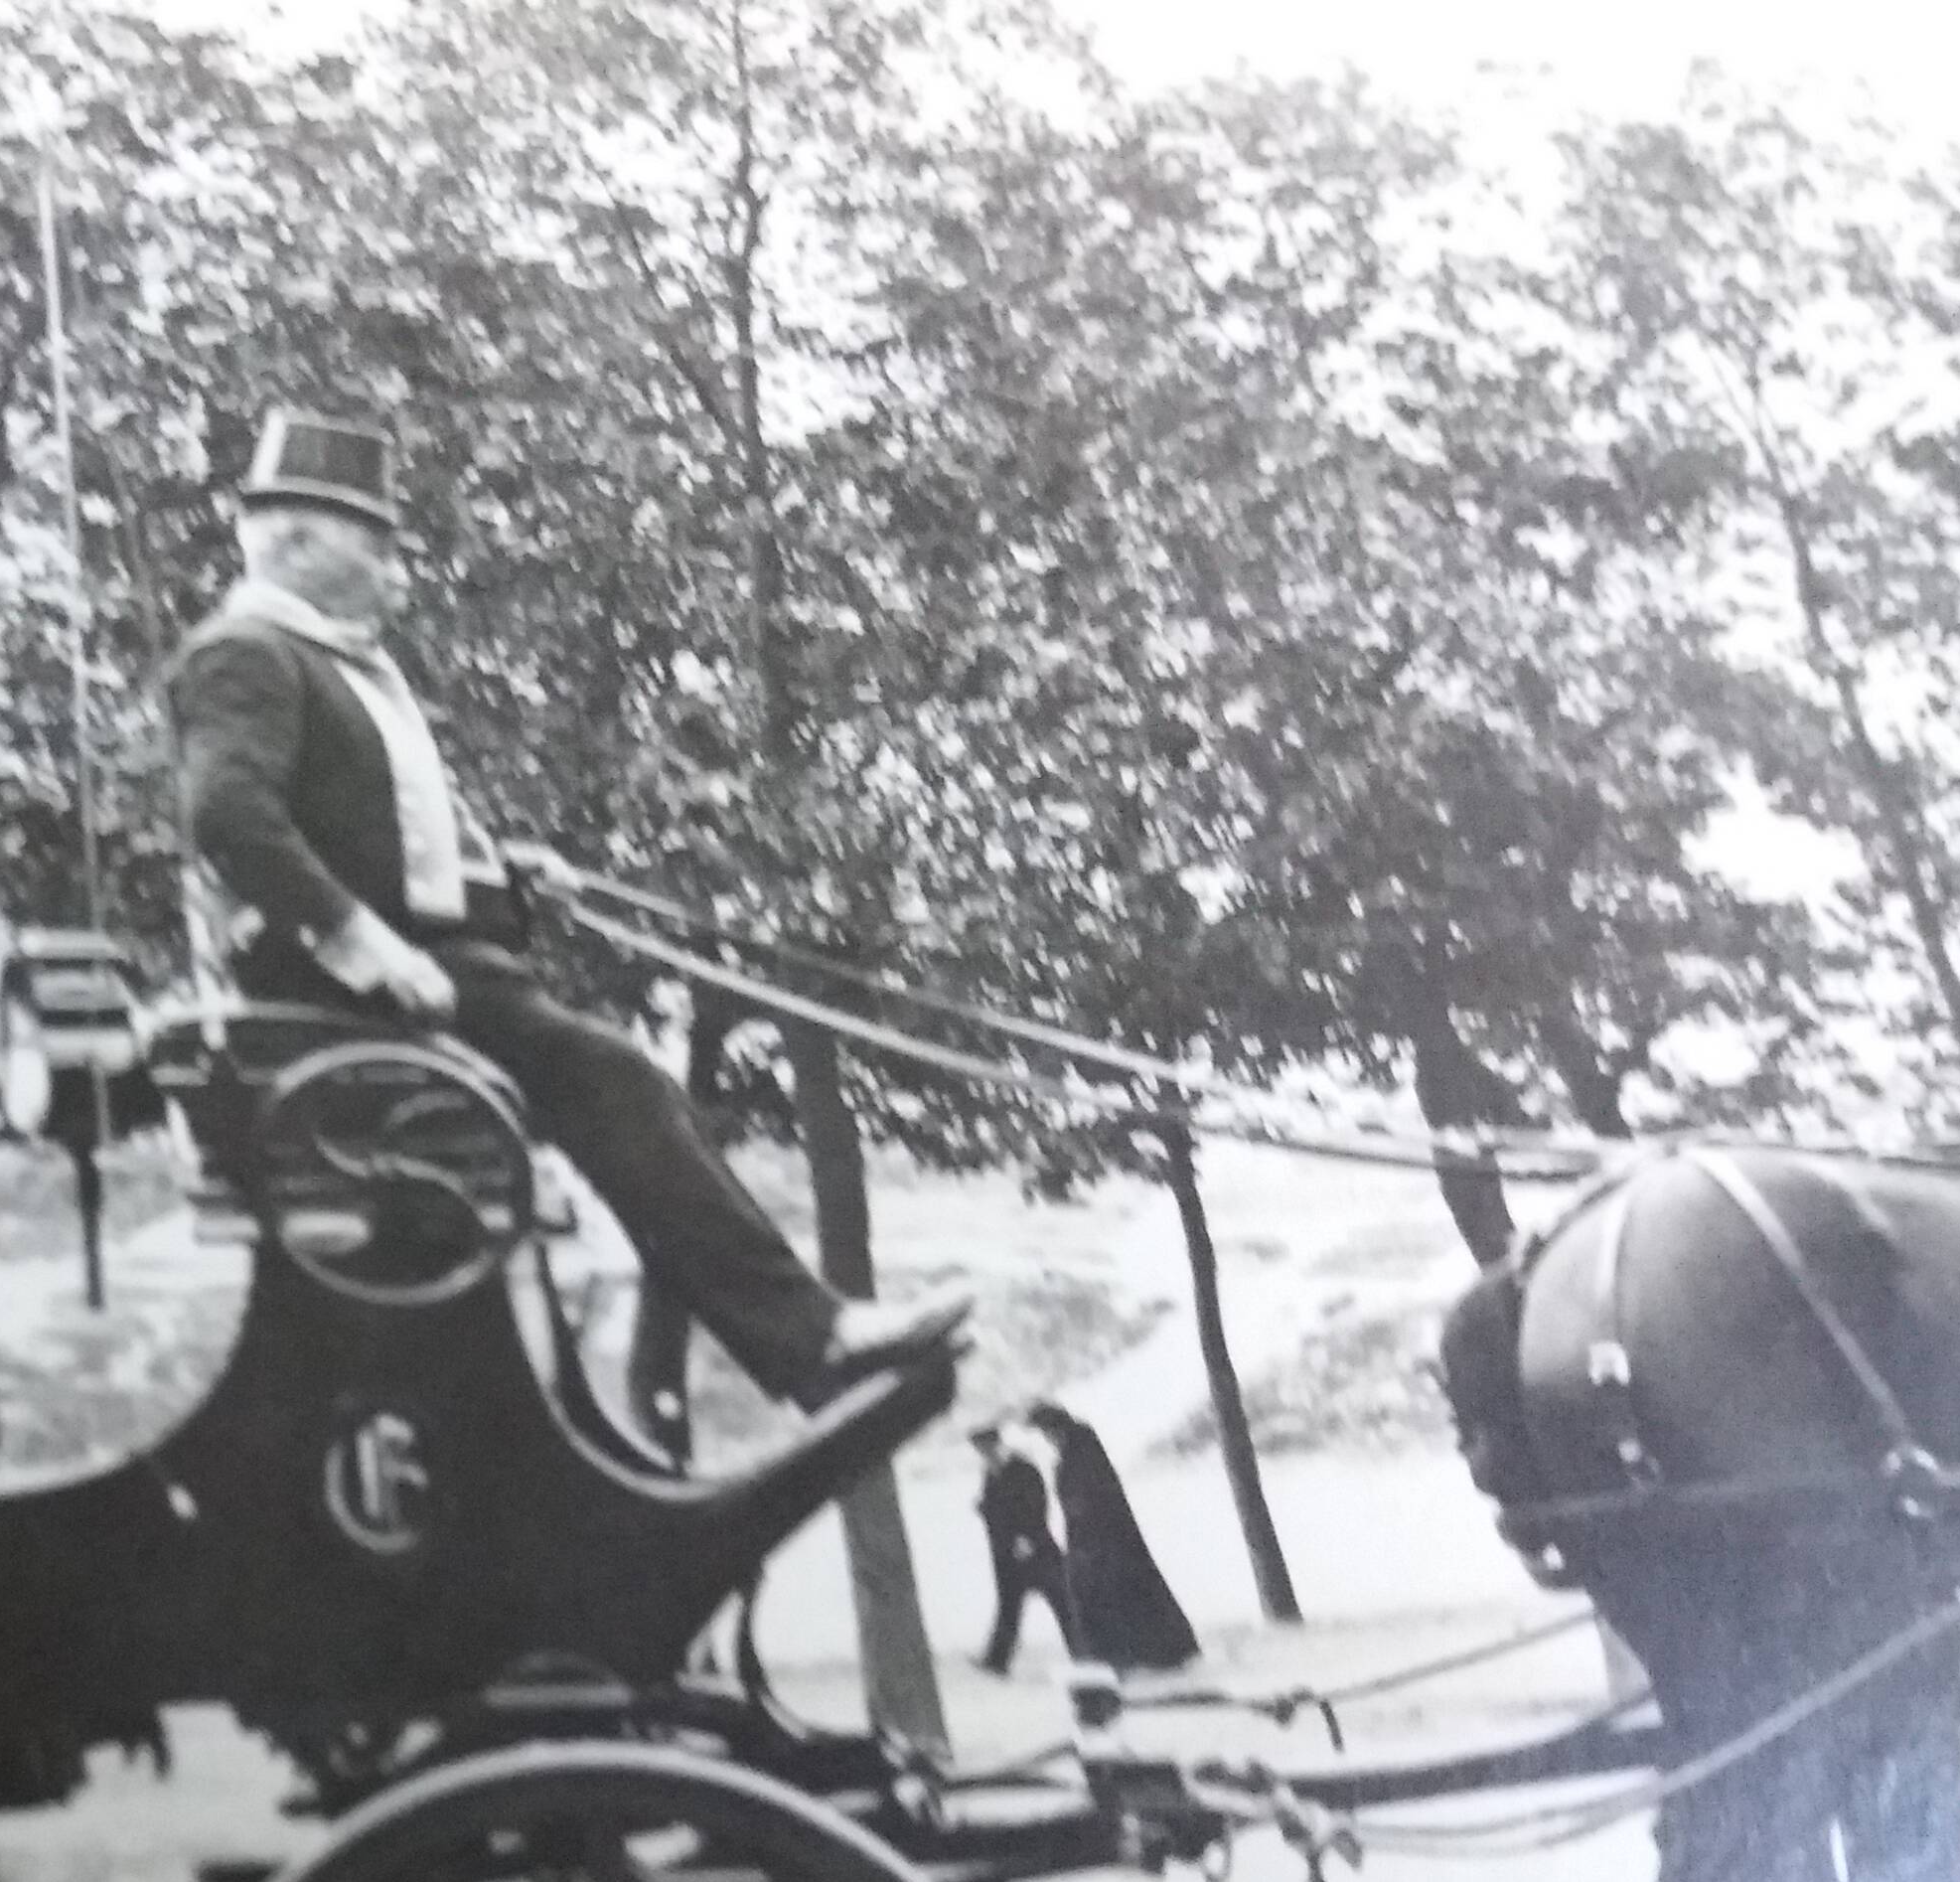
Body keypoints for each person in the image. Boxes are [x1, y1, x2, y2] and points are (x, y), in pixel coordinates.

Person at [169, 407, 962, 1412]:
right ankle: (813, 1342)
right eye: (377, 548)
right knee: (613, 1078)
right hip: (342, 997)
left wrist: (502, 877)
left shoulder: (331, 661)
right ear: (294, 543)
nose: (398, 575)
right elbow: (229, 818)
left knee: (629, 1084)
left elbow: (381, 847)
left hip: (425, 979)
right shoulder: (248, 652)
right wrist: (365, 946)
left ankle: (777, 1348)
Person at [1028, 1404, 1196, 1672]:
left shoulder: (1081, 1452)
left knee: (1112, 1593)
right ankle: (1127, 1654)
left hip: (1103, 1539)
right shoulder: (1077, 1450)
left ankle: (1128, 1655)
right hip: (1092, 1538)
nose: (1047, 1439)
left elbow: (1092, 1497)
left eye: (1047, 1432)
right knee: (1112, 1594)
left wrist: (1082, 1518)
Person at [972, 1423, 1076, 1672]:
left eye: (985, 1448)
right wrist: (984, 1508)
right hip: (1008, 1555)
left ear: (996, 1444)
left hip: (1038, 1552)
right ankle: (997, 1661)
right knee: (1009, 1608)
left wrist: (1028, 1538)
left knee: (1064, 1605)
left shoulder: (1023, 1469)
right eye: (980, 1450)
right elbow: (999, 1510)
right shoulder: (991, 1472)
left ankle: (1087, 1654)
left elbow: (1037, 1505)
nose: (983, 1454)